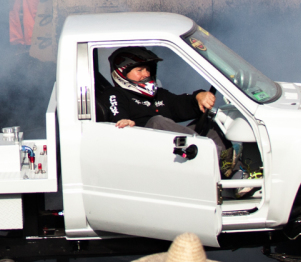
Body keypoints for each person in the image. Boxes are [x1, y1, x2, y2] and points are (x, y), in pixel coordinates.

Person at [99, 47, 233, 173]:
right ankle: (213, 156)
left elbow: (181, 104)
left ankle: (233, 174)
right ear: (122, 73)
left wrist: (199, 96)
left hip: (172, 152)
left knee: (208, 123)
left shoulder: (159, 95)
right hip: (143, 156)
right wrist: (123, 120)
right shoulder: (115, 93)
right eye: (139, 70)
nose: (146, 74)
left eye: (147, 69)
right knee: (157, 121)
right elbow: (116, 110)